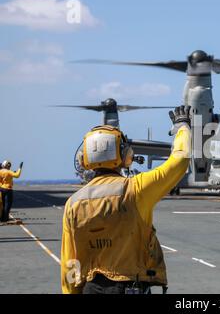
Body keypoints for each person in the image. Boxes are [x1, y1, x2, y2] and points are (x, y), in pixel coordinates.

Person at [61, 105, 191, 294]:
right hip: (130, 287)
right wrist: (182, 129)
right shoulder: (136, 189)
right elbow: (179, 160)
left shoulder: (73, 204)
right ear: (124, 155)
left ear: (85, 159)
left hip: (91, 289)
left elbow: (69, 262)